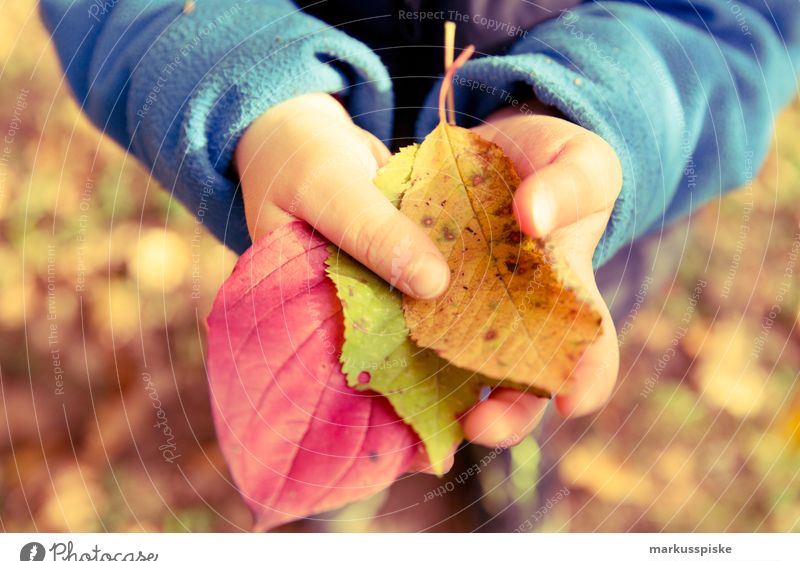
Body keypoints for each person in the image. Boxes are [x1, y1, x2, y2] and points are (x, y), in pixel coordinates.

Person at [40, 1, 799, 468]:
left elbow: (734, 25)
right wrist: (253, 88)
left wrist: (601, 112)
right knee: (339, 401)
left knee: (525, 398)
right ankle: (329, 492)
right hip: (307, 207)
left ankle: (509, 472)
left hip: (589, 218)